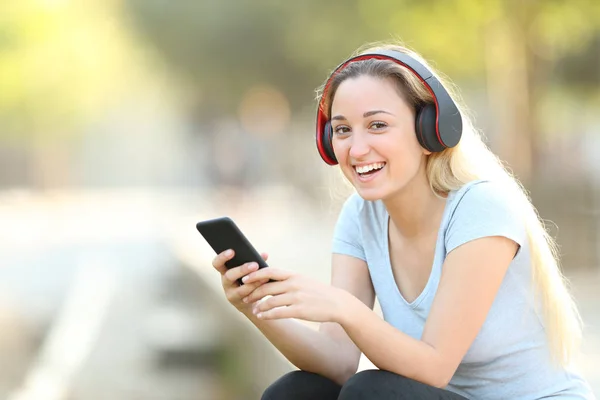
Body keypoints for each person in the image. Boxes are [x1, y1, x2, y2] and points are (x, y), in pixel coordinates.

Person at [210, 41, 596, 399]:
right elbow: (337, 363)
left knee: (372, 391)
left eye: (377, 125)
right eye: (343, 129)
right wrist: (255, 305)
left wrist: (343, 307)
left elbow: (435, 367)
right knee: (298, 391)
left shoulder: (481, 206)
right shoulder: (361, 216)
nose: (357, 149)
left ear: (430, 128)